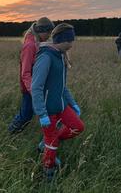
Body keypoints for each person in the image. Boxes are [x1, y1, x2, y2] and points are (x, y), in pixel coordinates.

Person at [31, 23, 85, 181]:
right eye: (71, 40)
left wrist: (72, 104)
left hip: (61, 106)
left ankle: (46, 144)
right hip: (48, 110)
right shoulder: (46, 57)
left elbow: (62, 86)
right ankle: (48, 172)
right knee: (52, 143)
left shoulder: (60, 56)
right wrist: (42, 114)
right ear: (63, 40)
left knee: (78, 127)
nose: (72, 44)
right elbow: (36, 87)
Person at [8, 17, 55, 134]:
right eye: (48, 32)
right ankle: (10, 134)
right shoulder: (30, 45)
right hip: (30, 88)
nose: (49, 35)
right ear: (41, 31)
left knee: (32, 113)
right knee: (25, 115)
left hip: (37, 86)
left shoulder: (38, 42)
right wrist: (33, 91)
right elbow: (25, 73)